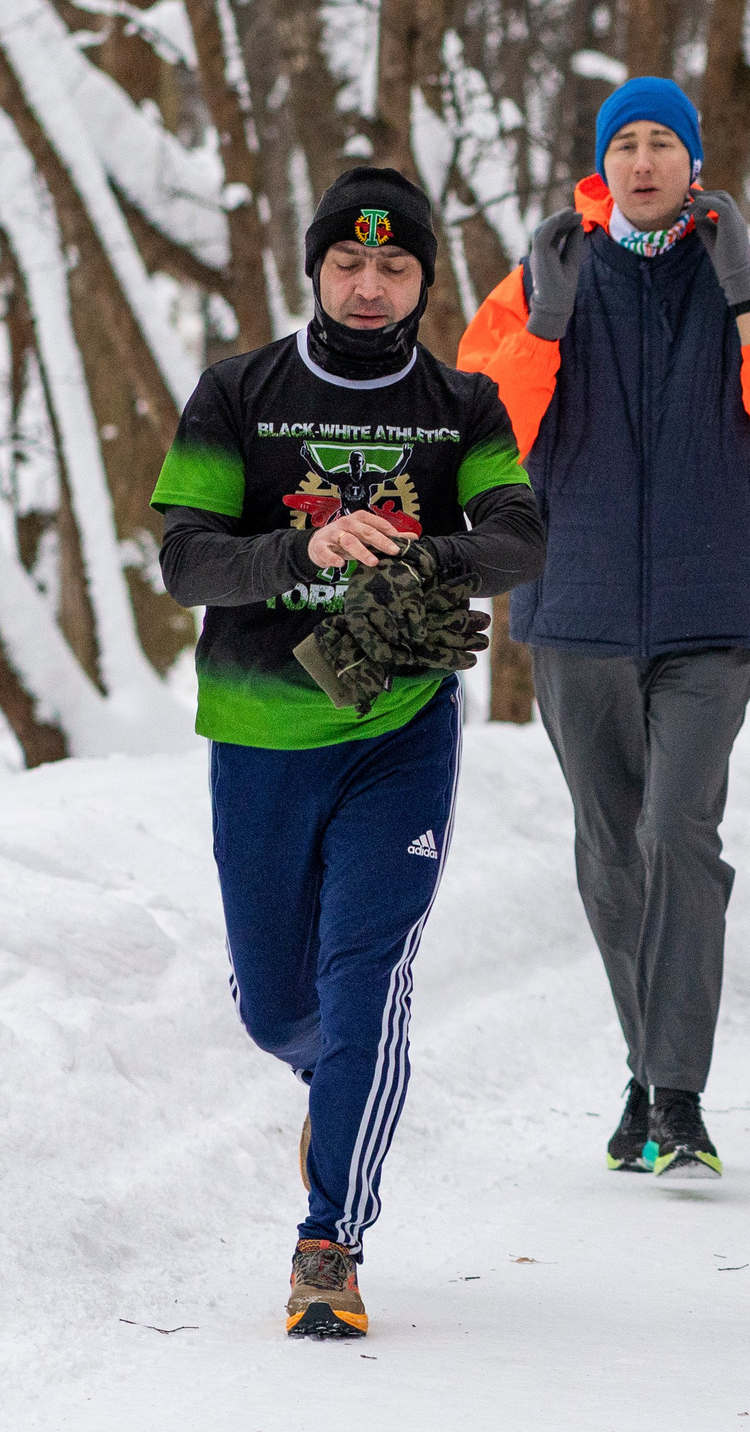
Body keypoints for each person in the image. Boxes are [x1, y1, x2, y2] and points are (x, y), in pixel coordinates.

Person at [153, 167, 545, 1338]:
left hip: (398, 731)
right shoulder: (238, 393)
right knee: (281, 1010)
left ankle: (331, 1238)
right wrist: (307, 548)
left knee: (365, 979)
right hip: (264, 728)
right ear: (315, 267)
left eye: (396, 267)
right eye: (348, 264)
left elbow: (519, 533)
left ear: (424, 280)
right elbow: (185, 558)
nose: (370, 287)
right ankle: (333, 1080)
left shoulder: (462, 403)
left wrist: (424, 565)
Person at [458, 76, 750, 1180]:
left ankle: (677, 1091)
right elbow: (492, 431)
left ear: (693, 161)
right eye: (622, 142)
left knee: (679, 834)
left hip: (709, 609)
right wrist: (542, 318)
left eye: (661, 142)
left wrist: (743, 300)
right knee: (610, 852)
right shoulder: (544, 272)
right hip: (573, 604)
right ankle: (647, 1069)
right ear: (601, 163)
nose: (640, 160)